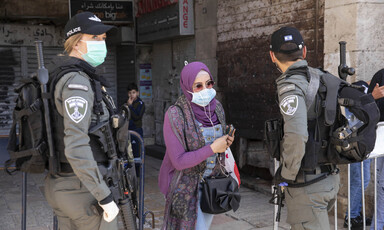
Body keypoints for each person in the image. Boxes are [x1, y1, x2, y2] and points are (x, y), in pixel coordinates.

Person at [43, 12, 119, 230]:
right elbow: (76, 144)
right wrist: (104, 197)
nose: (101, 43)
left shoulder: (60, 74)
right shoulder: (77, 82)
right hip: (82, 189)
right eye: (95, 38)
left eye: (103, 38)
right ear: (76, 43)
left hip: (63, 184)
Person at [269, 27, 340, 230]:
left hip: (307, 184)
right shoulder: (322, 77)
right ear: (305, 51)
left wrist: (286, 175)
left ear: (272, 56)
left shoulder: (290, 86)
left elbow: (298, 134)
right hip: (328, 178)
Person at [158, 62, 235, 230]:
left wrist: (226, 142)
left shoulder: (217, 109)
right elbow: (178, 161)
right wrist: (213, 148)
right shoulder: (175, 115)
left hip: (211, 187)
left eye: (209, 84)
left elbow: (218, 145)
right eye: (198, 86)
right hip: (184, 189)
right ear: (187, 87)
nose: (205, 89)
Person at [344, 81, 372, 229]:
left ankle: (356, 214)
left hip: (363, 143)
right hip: (357, 144)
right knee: (360, 180)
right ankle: (351, 217)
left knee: (362, 179)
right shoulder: (357, 91)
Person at [368, 69, 384, 230]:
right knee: (382, 186)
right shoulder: (380, 76)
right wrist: (373, 97)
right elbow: (365, 108)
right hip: (381, 141)